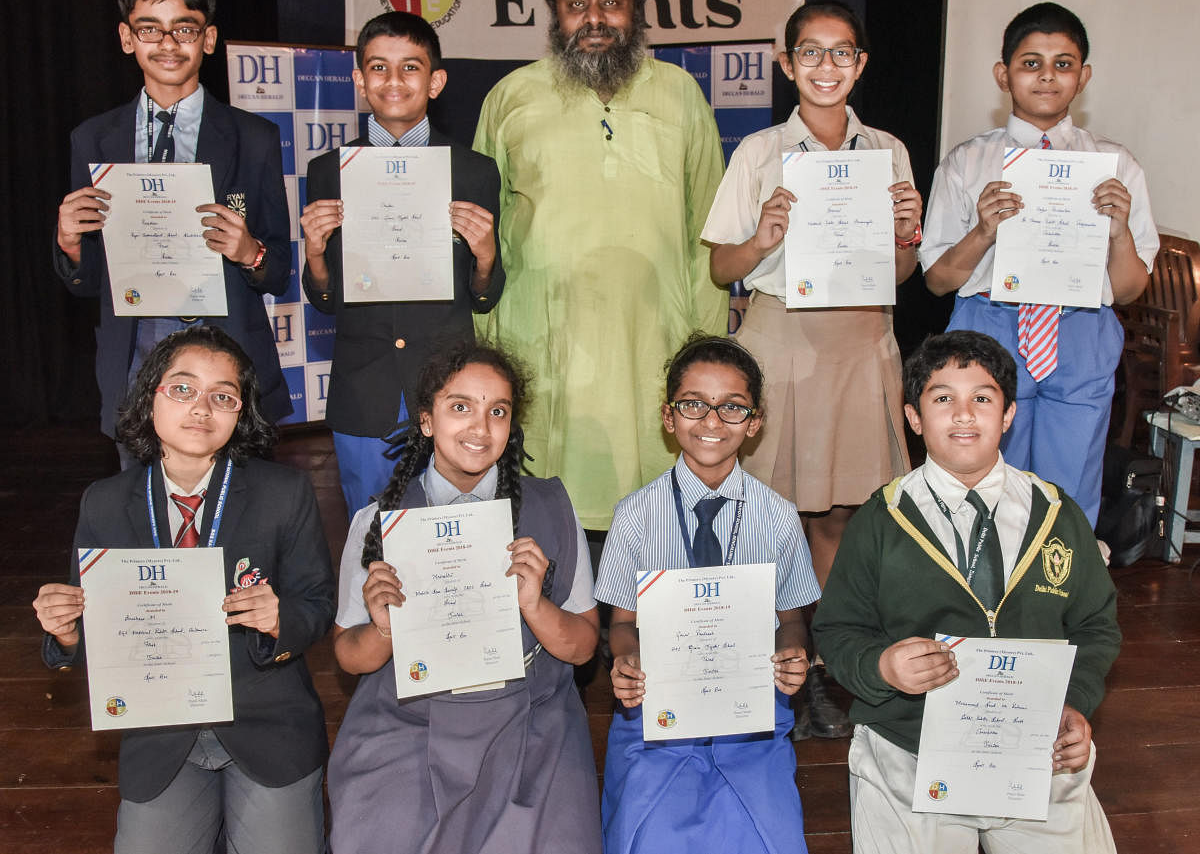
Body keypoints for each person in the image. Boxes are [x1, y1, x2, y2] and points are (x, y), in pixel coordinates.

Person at [701, 0, 921, 738]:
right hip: (782, 342)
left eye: (841, 52)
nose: (826, 66)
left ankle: (827, 666)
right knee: (770, 517)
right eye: (811, 52)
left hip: (861, 345)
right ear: (785, 61)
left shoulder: (887, 150)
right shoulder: (759, 152)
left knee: (842, 518)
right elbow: (720, 266)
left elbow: (902, 268)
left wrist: (906, 234)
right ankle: (772, 668)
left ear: (860, 64)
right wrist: (763, 234)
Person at [812, 330, 1120, 853]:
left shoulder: (1056, 513)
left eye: (982, 398)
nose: (963, 415)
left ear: (1008, 415)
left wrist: (1073, 702)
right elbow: (839, 629)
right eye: (942, 399)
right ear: (913, 418)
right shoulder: (882, 519)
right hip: (911, 741)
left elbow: (1095, 626)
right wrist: (882, 668)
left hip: (1037, 743)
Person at [32, 325, 335, 853]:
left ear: (240, 414)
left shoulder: (282, 493)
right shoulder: (105, 502)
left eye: (223, 396)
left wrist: (277, 618)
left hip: (267, 722)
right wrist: (66, 636)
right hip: (161, 733)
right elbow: (94, 632)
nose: (201, 408)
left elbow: (317, 604)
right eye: (183, 388)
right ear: (150, 396)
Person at [473, 0, 727, 531]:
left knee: (656, 520)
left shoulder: (681, 93)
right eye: (576, 4)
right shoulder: (511, 97)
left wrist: (704, 349)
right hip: (541, 341)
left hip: (654, 338)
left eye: (610, 3)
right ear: (554, 14)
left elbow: (709, 234)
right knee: (543, 520)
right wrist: (489, 339)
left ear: (637, 11)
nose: (594, 19)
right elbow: (481, 234)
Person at [326, 342, 602, 854]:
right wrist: (384, 628)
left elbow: (583, 647)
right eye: (461, 407)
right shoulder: (379, 522)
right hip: (410, 717)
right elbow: (348, 655)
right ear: (427, 420)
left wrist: (534, 606)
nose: (480, 428)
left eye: (497, 411)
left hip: (528, 716)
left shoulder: (552, 507)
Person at [921, 2, 1158, 526]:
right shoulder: (967, 162)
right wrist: (983, 231)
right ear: (1003, 74)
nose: (1047, 75)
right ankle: (977, 598)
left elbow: (1128, 290)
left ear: (1084, 77)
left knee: (1068, 492)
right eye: (1031, 63)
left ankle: (1059, 599)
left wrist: (1117, 233)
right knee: (978, 484)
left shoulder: (1117, 165)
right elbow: (937, 280)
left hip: (1080, 331)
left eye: (1063, 63)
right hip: (989, 324)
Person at [54, 0, 293, 452]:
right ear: (126, 38)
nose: (167, 44)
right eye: (150, 29)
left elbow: (279, 271)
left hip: (226, 362)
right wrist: (70, 244)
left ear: (208, 38)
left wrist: (250, 252)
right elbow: (89, 283)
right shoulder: (93, 140)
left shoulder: (254, 139)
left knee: (236, 520)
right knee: (144, 522)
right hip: (137, 363)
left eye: (184, 29)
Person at [596, 334, 821, 854]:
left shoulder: (779, 516)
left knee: (771, 838)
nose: (713, 421)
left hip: (750, 711)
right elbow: (622, 623)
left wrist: (793, 652)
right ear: (669, 417)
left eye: (732, 407)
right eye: (694, 404)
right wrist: (627, 662)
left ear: (755, 421)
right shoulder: (635, 514)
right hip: (658, 706)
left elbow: (790, 617)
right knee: (645, 835)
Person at [301, 10, 504, 518]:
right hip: (363, 387)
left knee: (450, 533)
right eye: (378, 67)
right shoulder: (328, 171)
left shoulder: (475, 172)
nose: (394, 81)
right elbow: (324, 299)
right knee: (368, 536)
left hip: (445, 386)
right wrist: (314, 254)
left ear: (435, 81)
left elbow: (486, 293)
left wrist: (485, 256)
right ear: (359, 80)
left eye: (410, 68)